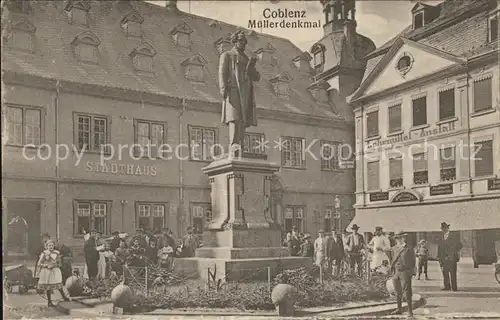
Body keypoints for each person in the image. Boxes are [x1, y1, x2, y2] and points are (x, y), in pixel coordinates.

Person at [218, 30, 260, 154]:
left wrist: (251, 67)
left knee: (243, 119)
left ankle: (240, 144)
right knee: (234, 117)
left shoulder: (246, 59)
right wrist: (223, 88)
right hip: (233, 90)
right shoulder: (227, 55)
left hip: (246, 92)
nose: (243, 43)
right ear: (234, 41)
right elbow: (222, 72)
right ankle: (234, 144)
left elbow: (256, 77)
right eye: (240, 40)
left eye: (245, 41)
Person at [36, 240, 70, 306]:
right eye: (49, 245)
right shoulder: (44, 253)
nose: (51, 247)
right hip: (47, 271)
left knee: (58, 284)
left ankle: (64, 297)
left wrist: (56, 265)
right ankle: (49, 302)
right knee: (49, 287)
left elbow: (59, 263)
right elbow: (39, 263)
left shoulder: (57, 253)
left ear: (54, 246)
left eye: (52, 245)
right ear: (46, 246)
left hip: (55, 270)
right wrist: (46, 265)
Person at [390, 231, 415, 317]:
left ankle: (410, 311)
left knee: (407, 291)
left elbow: (413, 262)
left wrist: (411, 272)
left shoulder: (409, 248)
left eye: (400, 238)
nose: (399, 240)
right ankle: (399, 309)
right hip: (396, 272)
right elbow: (392, 260)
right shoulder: (393, 249)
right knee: (397, 292)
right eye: (397, 238)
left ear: (404, 238)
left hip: (405, 272)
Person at [437, 222, 462, 291]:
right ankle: (447, 286)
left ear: (448, 228)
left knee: (453, 272)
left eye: (445, 228)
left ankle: (454, 287)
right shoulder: (441, 237)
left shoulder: (453, 236)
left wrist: (453, 251)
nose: (444, 230)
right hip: (443, 258)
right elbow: (439, 247)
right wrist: (439, 257)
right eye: (442, 229)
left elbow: (460, 245)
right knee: (445, 273)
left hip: (452, 258)